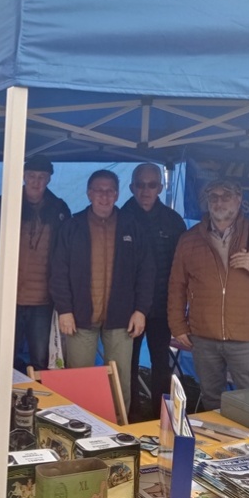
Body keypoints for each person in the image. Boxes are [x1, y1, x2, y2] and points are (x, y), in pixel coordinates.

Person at [168, 179, 249, 410]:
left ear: (239, 200)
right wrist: (177, 325)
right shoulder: (189, 238)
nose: (219, 202)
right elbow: (177, 284)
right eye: (214, 197)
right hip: (204, 335)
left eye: (226, 196)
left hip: (245, 336)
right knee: (211, 398)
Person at [49, 169, 154, 411]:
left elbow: (146, 272)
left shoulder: (132, 226)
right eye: (99, 191)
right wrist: (64, 310)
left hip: (122, 318)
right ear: (89, 193)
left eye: (110, 191)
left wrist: (141, 311)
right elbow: (58, 271)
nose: (104, 196)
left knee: (120, 380)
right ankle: (78, 426)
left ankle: (118, 426)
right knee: (79, 381)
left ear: (117, 194)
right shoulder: (72, 226)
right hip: (80, 317)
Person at [0, 154, 71, 372]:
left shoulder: (59, 209)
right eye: (31, 175)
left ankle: (37, 394)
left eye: (41, 176)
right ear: (23, 176)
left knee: (40, 359)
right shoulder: (5, 203)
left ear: (49, 179)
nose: (36, 181)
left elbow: (66, 255)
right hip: (8, 296)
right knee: (4, 357)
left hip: (43, 299)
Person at [120, 163, 186, 420]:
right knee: (128, 363)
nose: (145, 190)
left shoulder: (173, 221)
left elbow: (183, 268)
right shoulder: (120, 218)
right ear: (131, 187)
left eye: (152, 185)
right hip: (129, 308)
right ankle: (131, 413)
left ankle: (162, 416)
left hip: (161, 307)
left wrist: (179, 307)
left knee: (161, 363)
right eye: (140, 184)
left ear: (160, 187)